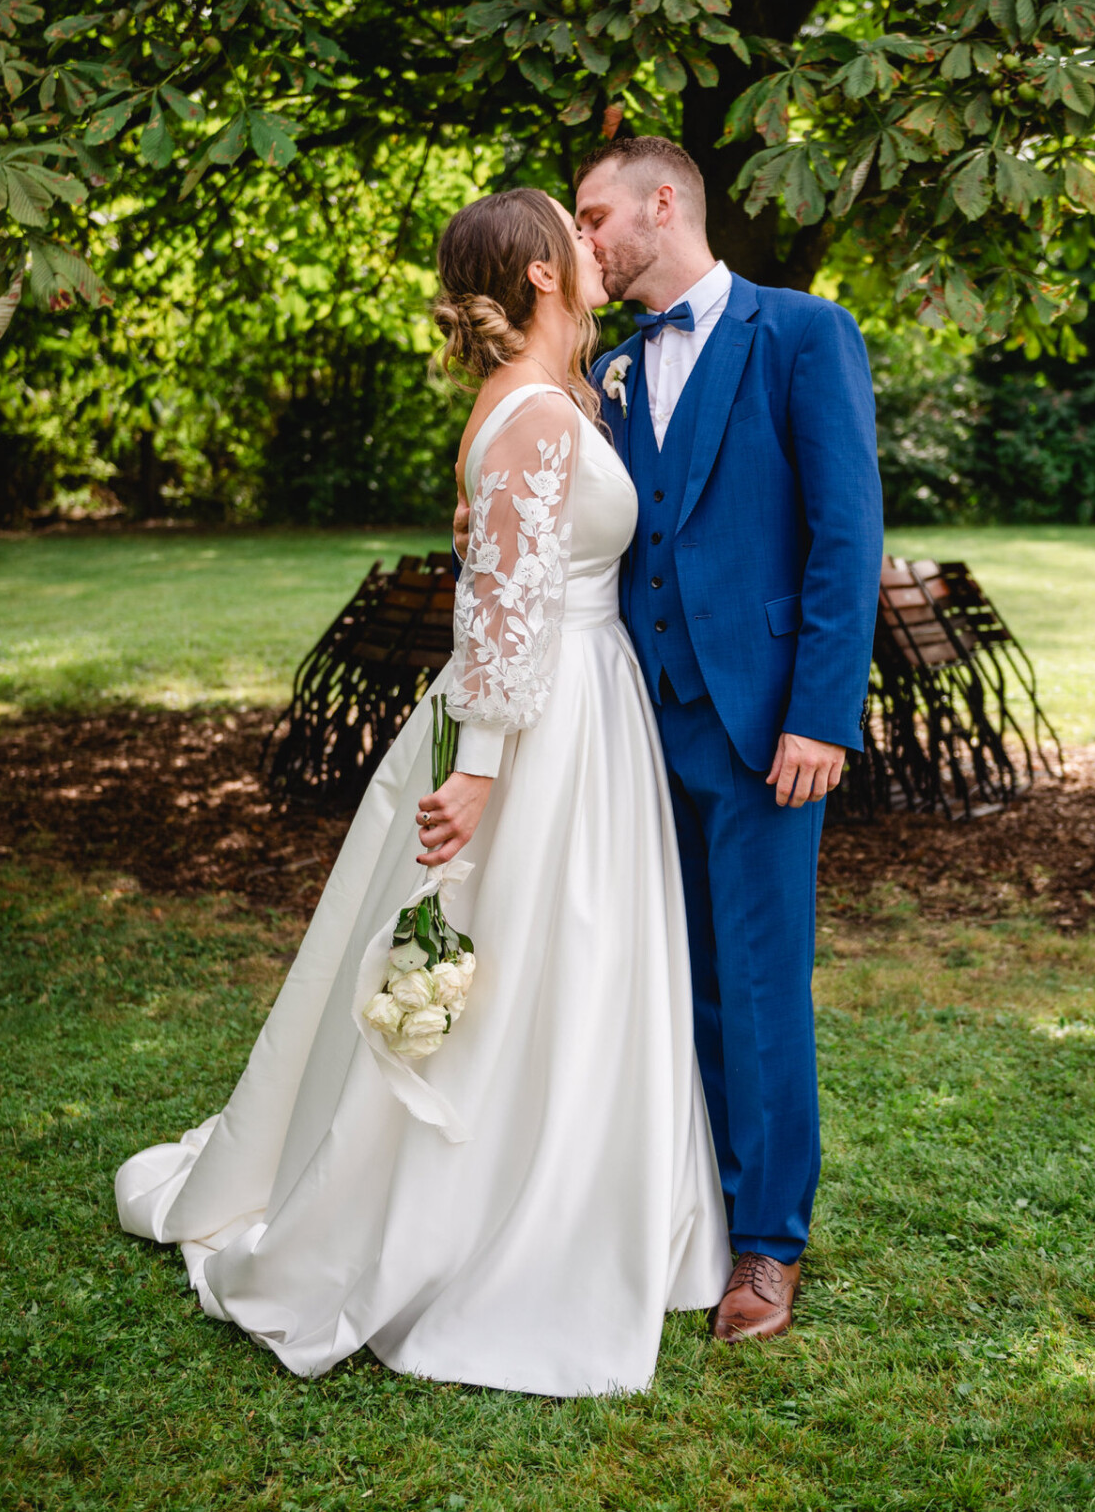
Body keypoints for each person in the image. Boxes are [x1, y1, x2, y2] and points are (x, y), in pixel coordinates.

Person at [115, 187, 730, 1397]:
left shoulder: (554, 398)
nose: (595, 247)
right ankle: (490, 1225)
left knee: (574, 962)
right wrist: (481, 774)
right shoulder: (532, 416)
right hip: (539, 724)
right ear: (542, 273)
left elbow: (511, 558)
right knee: (528, 956)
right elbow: (499, 609)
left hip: (583, 705)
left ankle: (586, 1196)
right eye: (575, 232)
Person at [575, 137, 883, 1344]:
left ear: (665, 204)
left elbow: (846, 536)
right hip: (633, 727)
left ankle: (767, 1245)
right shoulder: (607, 368)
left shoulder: (802, 333)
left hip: (764, 725)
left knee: (758, 984)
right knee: (671, 977)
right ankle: (693, 1207)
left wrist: (820, 713)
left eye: (596, 216)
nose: (585, 240)